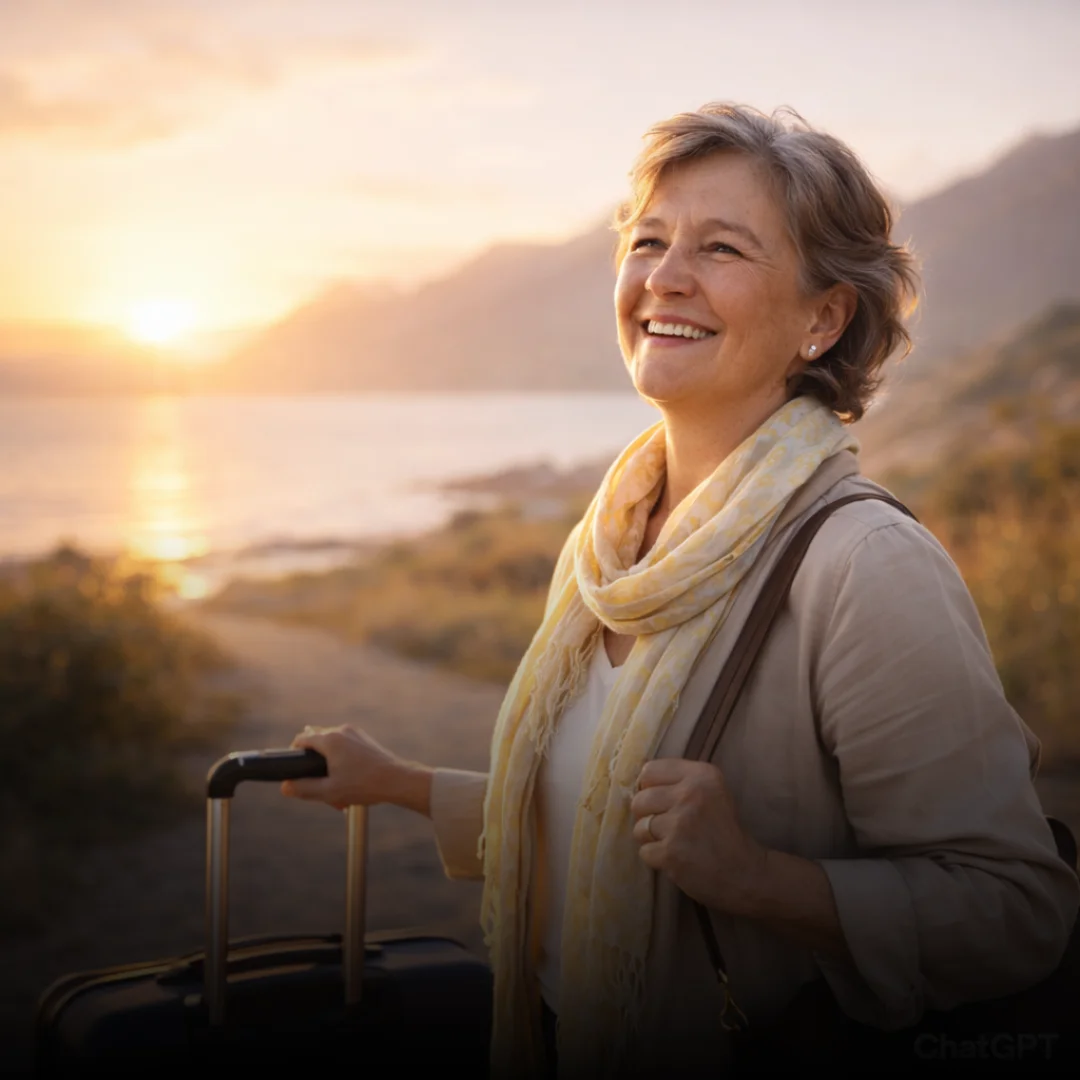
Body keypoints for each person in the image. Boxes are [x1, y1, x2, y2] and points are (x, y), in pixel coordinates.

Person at [281, 103, 1079, 1078]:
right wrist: (397, 785)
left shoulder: (863, 564)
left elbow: (1016, 912)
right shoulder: (609, 544)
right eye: (648, 241)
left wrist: (758, 881)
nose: (664, 275)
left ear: (823, 318)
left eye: (722, 249)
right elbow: (604, 823)